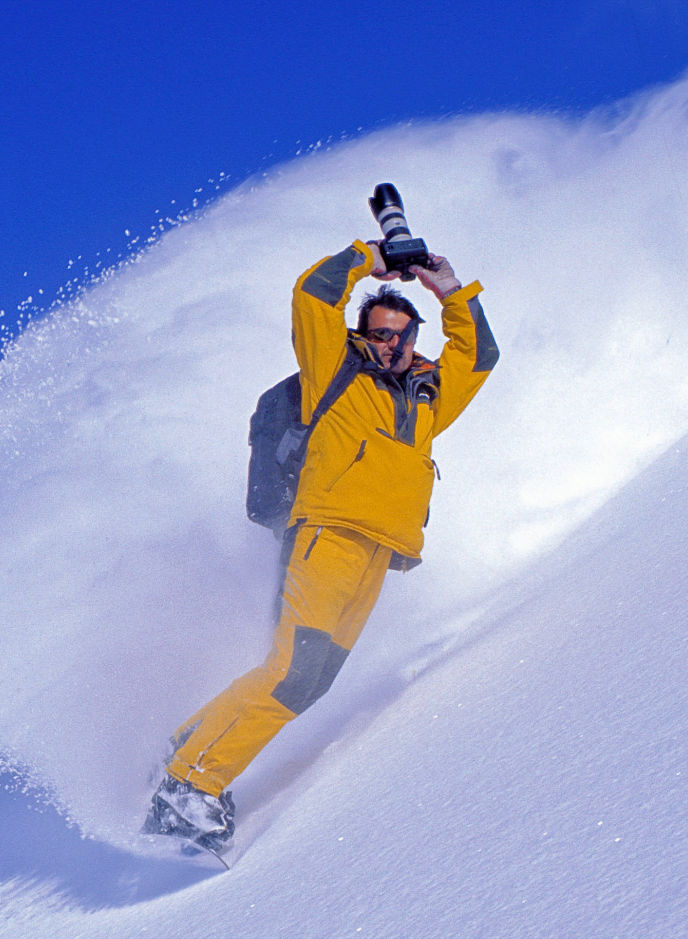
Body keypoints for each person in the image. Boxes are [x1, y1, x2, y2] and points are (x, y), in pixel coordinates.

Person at [144, 237, 499, 851]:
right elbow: (312, 293)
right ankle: (189, 788)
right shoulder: (334, 371)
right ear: (363, 335)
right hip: (326, 537)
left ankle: (186, 743)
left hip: (379, 551)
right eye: (381, 332)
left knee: (306, 679)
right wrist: (370, 258)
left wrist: (447, 286)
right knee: (292, 673)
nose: (392, 344)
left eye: (402, 334)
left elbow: (480, 355)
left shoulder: (428, 396)